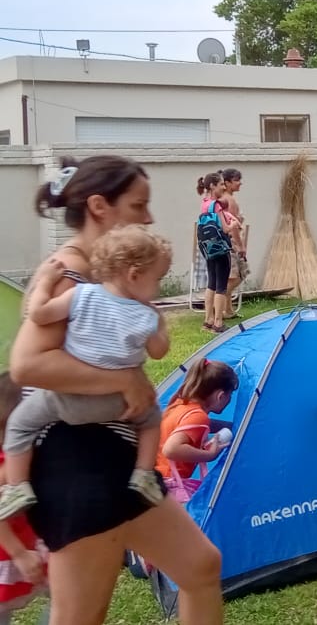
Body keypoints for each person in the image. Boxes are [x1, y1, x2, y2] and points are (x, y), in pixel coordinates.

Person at [9, 155, 223, 625]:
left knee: (201, 566)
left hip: (118, 456)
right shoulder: (71, 271)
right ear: (100, 207)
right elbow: (26, 364)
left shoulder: (109, 276)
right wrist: (124, 379)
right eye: (138, 205)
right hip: (78, 461)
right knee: (81, 615)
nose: (147, 217)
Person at [0, 225, 172, 519]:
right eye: (157, 279)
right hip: (119, 404)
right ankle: (143, 475)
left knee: (20, 424)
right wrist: (159, 324)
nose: (157, 287)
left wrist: (44, 284)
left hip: (68, 401)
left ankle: (16, 486)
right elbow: (159, 351)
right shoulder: (146, 314)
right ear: (134, 275)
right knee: (152, 420)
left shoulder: (81, 295)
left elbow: (38, 314)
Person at [0, 374, 49, 624]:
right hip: (8, 552)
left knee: (68, 590)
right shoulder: (8, 464)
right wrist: (19, 553)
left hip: (28, 541)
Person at [156, 358, 239, 504]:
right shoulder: (199, 417)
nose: (230, 399)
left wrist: (233, 426)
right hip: (170, 487)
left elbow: (196, 425)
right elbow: (171, 449)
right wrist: (209, 455)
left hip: (155, 480)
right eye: (229, 395)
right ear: (221, 396)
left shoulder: (181, 405)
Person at [196, 172, 237, 334]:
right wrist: (233, 223)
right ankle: (219, 323)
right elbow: (225, 229)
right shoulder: (217, 205)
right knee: (221, 285)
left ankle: (208, 320)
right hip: (221, 248)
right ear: (213, 186)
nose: (223, 187)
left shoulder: (205, 203)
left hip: (208, 248)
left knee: (211, 283)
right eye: (221, 184)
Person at [219, 168, 249, 312]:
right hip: (230, 241)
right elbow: (233, 226)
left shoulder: (226, 199)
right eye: (236, 180)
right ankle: (218, 302)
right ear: (227, 182)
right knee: (236, 276)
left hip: (226, 241)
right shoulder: (228, 201)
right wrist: (240, 246)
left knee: (232, 276)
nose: (240, 183)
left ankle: (228, 310)